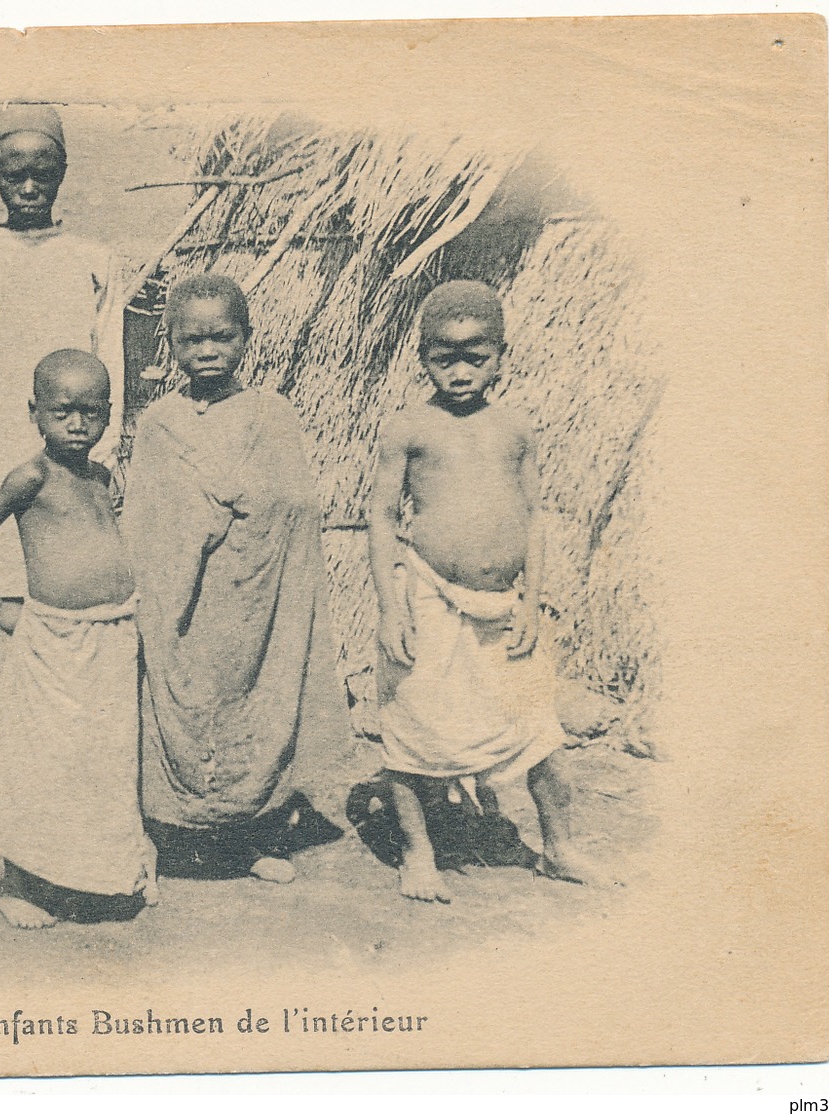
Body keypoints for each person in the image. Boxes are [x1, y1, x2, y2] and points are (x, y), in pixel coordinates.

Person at [0, 103, 125, 852]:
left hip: (67, 479)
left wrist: (102, 480)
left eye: (44, 170)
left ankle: (53, 801)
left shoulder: (94, 258)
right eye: (15, 171)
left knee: (61, 642)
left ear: (62, 172)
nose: (29, 183)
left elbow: (113, 378)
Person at [369, 279, 599, 904]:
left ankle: (559, 849)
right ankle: (418, 857)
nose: (461, 369)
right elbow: (383, 518)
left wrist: (533, 602)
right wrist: (391, 610)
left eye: (477, 354)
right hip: (428, 596)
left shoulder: (516, 430)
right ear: (422, 357)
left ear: (501, 355)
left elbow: (534, 517)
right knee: (414, 725)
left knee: (537, 731)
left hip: (503, 608)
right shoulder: (409, 428)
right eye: (445, 356)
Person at [122, 274, 353, 885]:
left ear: (247, 339)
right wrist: (194, 524)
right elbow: (146, 518)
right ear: (169, 342)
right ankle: (168, 835)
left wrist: (237, 504)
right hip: (184, 599)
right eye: (191, 338)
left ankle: (253, 838)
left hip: (252, 596)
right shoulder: (159, 423)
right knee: (180, 703)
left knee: (254, 705)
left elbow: (297, 502)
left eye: (222, 336)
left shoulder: (269, 413)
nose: (207, 350)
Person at [0, 350, 158, 928]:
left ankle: (101, 871)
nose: (77, 423)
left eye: (92, 412)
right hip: (54, 641)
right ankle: (15, 884)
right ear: (35, 413)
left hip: (112, 637)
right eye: (63, 411)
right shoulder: (30, 476)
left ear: (109, 415)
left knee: (102, 759)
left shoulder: (100, 477)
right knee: (36, 757)